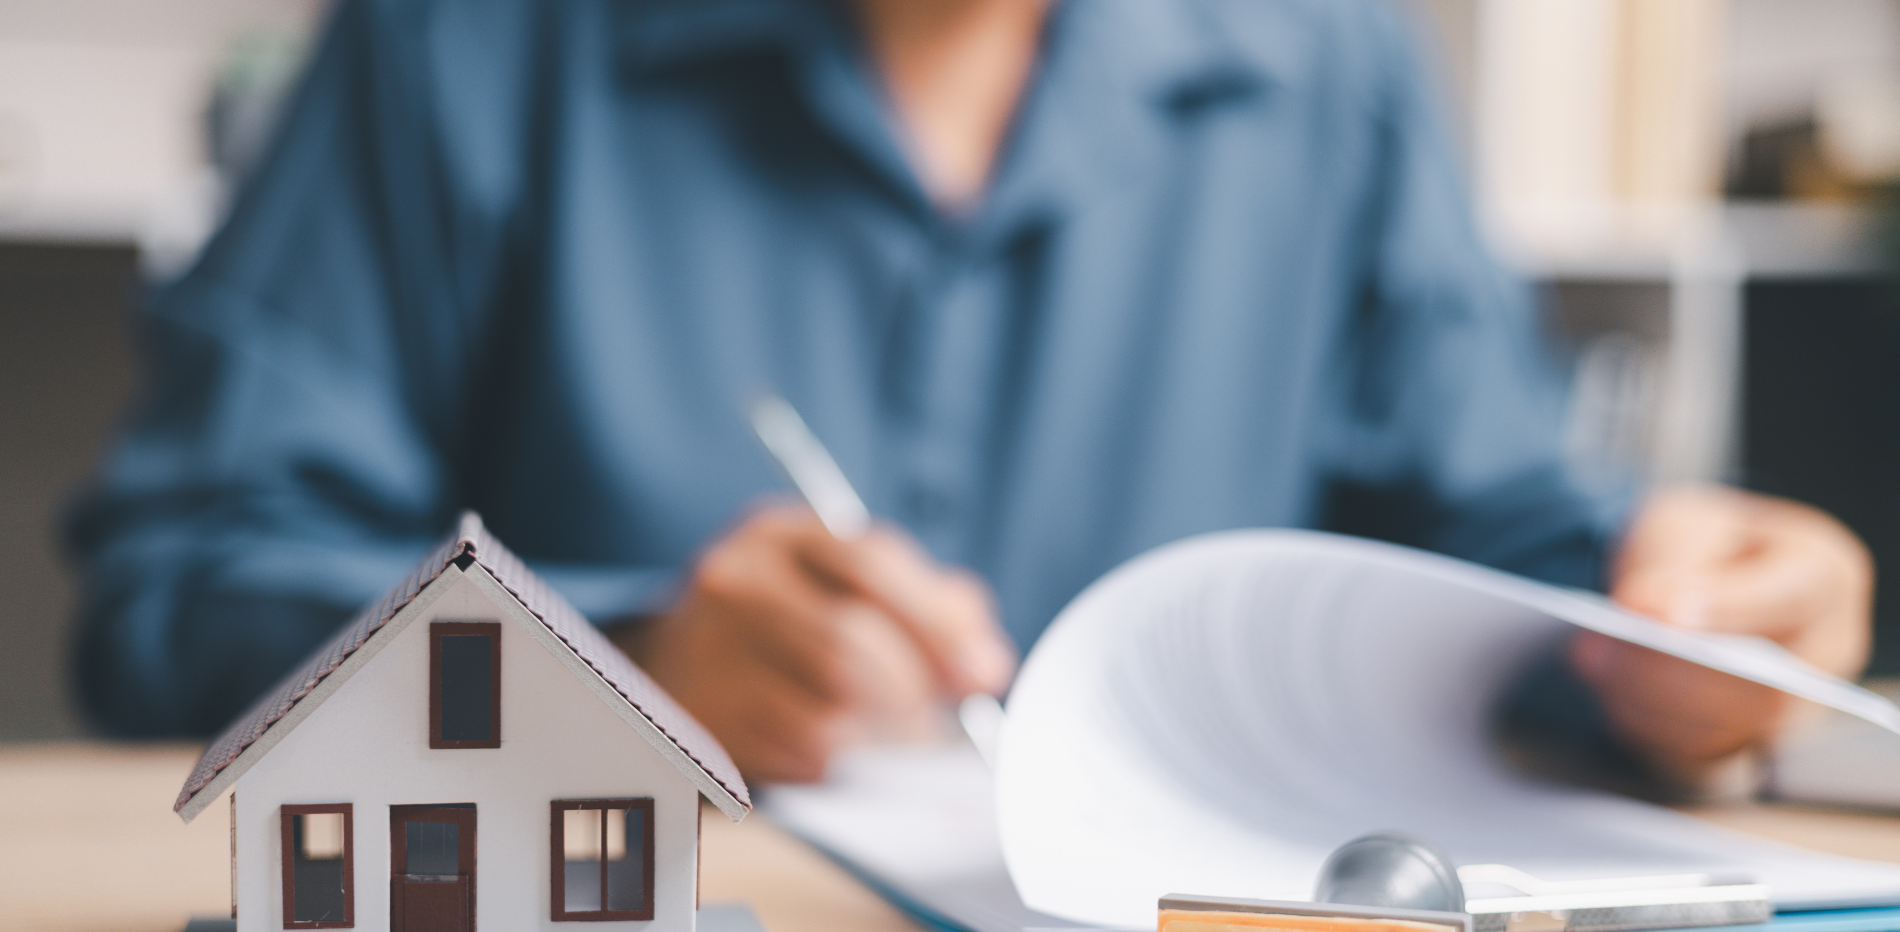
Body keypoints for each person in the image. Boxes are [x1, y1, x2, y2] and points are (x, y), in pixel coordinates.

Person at [67, 0, 1871, 788]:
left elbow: (1502, 536)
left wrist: (1681, 626)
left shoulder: (1325, 58)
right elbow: (178, 594)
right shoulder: (456, 40)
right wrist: (617, 669)